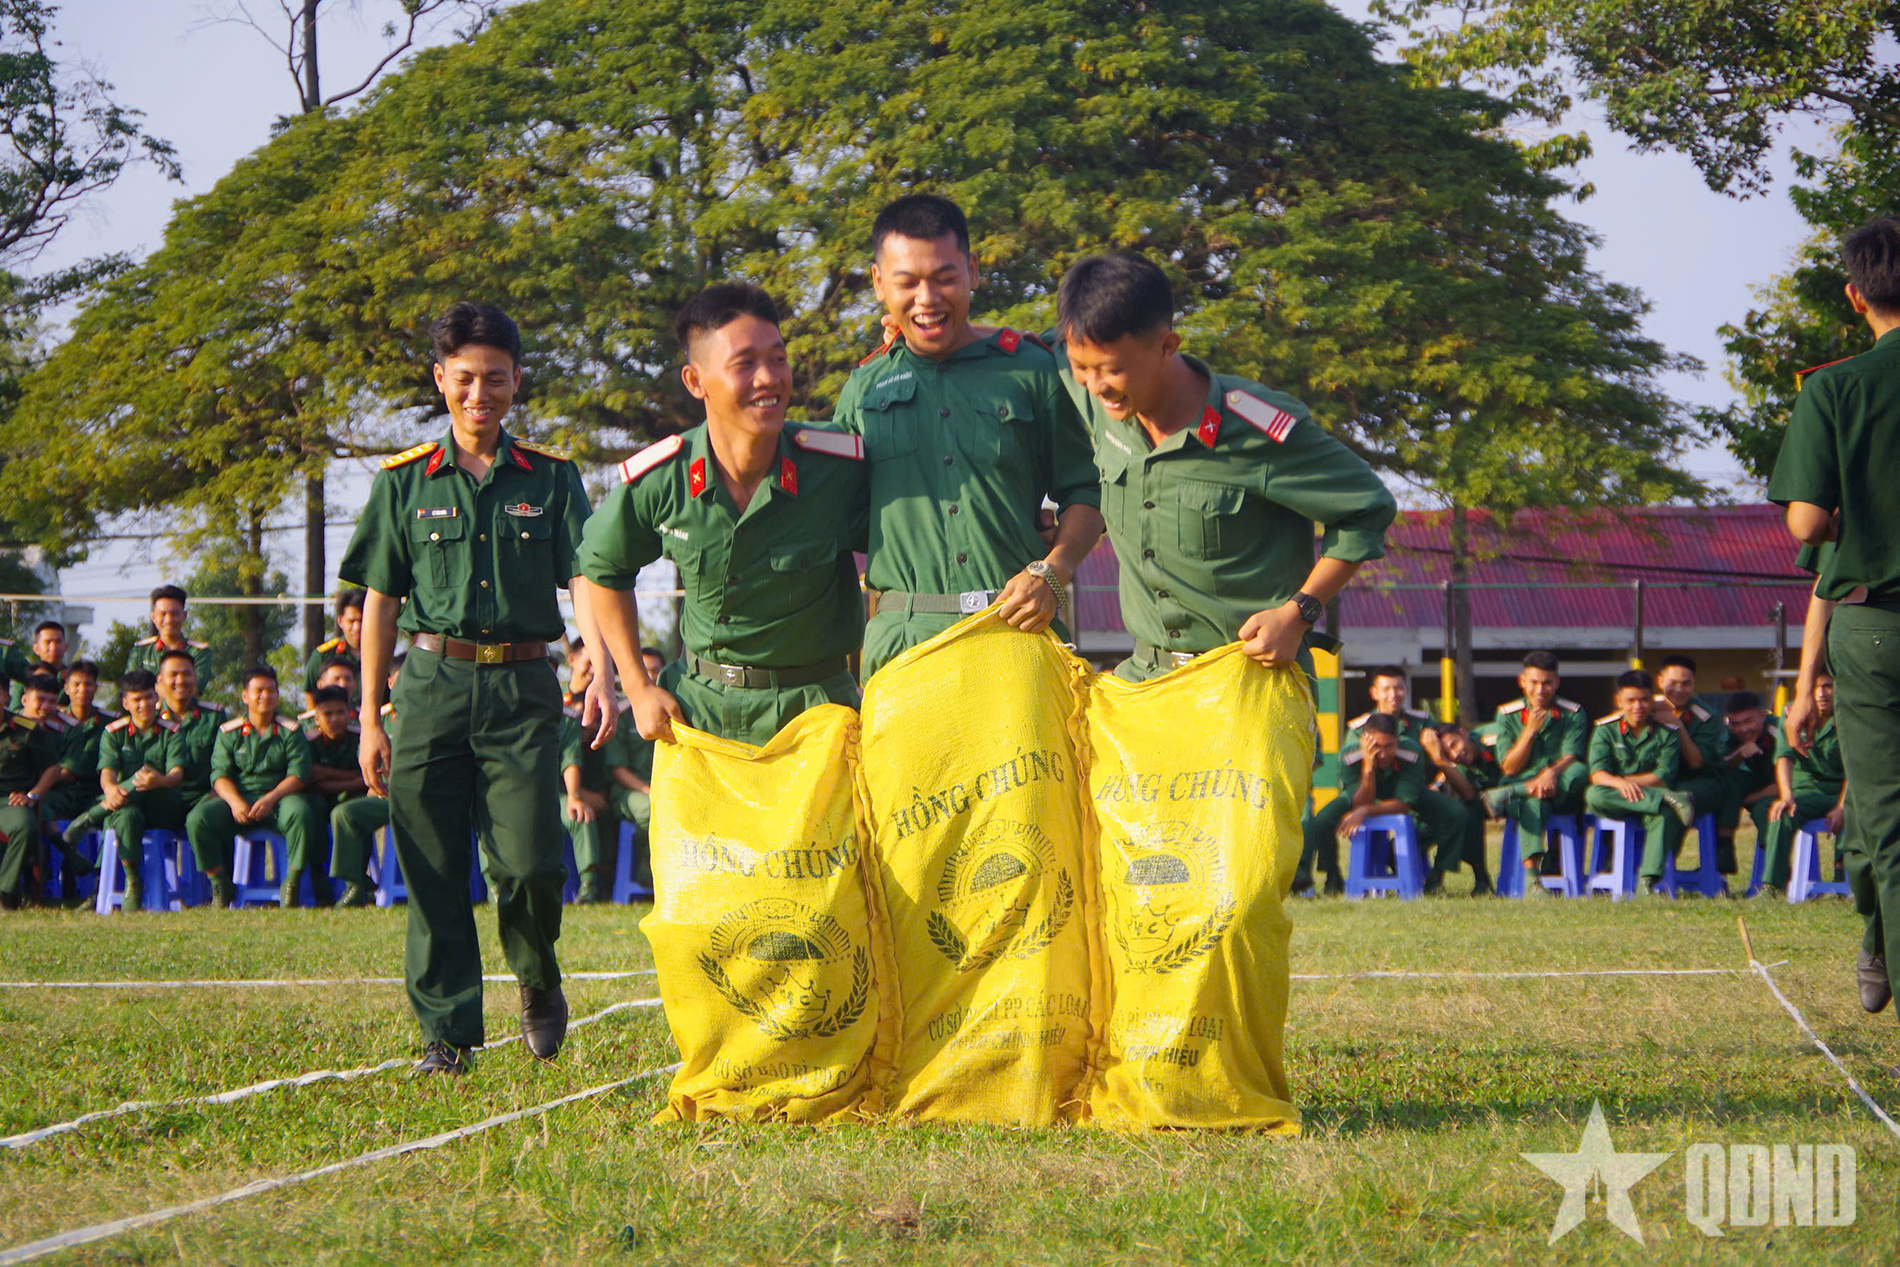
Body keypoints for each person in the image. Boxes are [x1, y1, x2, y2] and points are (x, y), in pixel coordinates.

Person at [339, 300, 598, 1075]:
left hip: (523, 690)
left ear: (516, 381)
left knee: (527, 865)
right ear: (440, 380)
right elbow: (378, 601)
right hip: (427, 688)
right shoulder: (402, 484)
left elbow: (585, 574)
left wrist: (598, 660)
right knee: (433, 867)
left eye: (494, 378)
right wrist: (369, 718)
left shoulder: (552, 480)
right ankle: (446, 1036)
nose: (479, 394)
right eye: (463, 379)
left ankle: (538, 975)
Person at [1052, 252, 1395, 686]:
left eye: (1113, 370)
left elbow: (1368, 509)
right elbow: (1018, 347)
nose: (1097, 386)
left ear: (1167, 346)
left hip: (1251, 680)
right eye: (1082, 368)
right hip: (1147, 679)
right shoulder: (1101, 396)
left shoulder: (1256, 427)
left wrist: (1299, 613)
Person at [580, 283, 869, 748]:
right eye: (745, 364)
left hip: (816, 718)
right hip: (698, 716)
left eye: (778, 359)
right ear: (695, 382)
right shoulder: (664, 477)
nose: (769, 378)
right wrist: (637, 686)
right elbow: (602, 567)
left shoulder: (835, 468)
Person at [834, 194, 1104, 678]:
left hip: (1017, 630)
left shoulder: (1033, 368)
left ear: (973, 271)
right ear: (878, 284)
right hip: (904, 649)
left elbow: (1086, 489)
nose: (927, 299)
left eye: (944, 278)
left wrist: (1054, 570)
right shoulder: (862, 389)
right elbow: (845, 520)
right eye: (907, 283)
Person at [1769, 216, 1900, 1016]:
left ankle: (1879, 936)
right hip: (1858, 619)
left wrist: (1806, 675)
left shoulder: (1835, 387)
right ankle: (1878, 938)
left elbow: (1808, 529)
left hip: (1876, 626)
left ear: (1855, 297)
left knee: (1880, 822)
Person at [185, 665, 324, 909]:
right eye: (258, 690)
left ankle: (291, 883)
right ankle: (219, 883)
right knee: (198, 819)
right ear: (245, 696)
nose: (265, 696)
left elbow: (299, 775)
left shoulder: (290, 731)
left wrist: (271, 798)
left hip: (280, 798)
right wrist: (235, 802)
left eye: (271, 690)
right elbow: (220, 775)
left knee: (301, 813)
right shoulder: (230, 732)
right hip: (239, 800)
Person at [1298, 713, 1465, 895]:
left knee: (1456, 813)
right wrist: (1368, 768)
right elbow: (1359, 801)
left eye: (1389, 746)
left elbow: (1404, 804)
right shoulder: (1349, 755)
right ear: (1365, 740)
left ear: (1398, 740)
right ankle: (1332, 874)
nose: (1383, 754)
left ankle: (1436, 876)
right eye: (1376, 746)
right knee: (1322, 821)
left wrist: (1365, 811)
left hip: (1399, 792)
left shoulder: (1411, 751)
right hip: (1363, 791)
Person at [1481, 652, 1588, 891]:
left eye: (1547, 682)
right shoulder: (1507, 714)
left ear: (1557, 682)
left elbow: (1572, 754)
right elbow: (1509, 766)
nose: (1540, 689)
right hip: (1525, 788)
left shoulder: (1573, 713)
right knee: (1533, 802)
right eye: (1534, 682)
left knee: (1579, 772)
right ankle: (1532, 881)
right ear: (1522, 681)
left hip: (1559, 787)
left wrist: (1551, 772)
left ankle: (1512, 791)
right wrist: (1529, 731)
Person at [1585, 670, 1695, 895]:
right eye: (1631, 700)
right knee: (1593, 795)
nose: (1638, 706)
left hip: (1644, 797)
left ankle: (1648, 881)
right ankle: (1666, 799)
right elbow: (1597, 774)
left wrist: (1625, 783)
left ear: (1652, 699)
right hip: (1619, 798)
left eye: (1644, 699)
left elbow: (1662, 776)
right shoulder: (1606, 729)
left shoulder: (1667, 732)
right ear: (1619, 701)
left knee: (1665, 816)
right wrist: (1620, 785)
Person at [89, 670, 188, 912]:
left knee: (133, 789)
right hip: (128, 807)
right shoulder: (114, 733)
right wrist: (111, 789)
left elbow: (177, 774)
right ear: (125, 703)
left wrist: (159, 781)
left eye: (147, 697)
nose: (143, 705)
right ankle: (133, 881)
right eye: (136, 699)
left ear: (157, 699)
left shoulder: (172, 732)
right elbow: (107, 773)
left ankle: (90, 818)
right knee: (125, 815)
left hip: (162, 806)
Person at [1758, 670, 1847, 897]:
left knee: (1855, 816)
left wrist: (1842, 807)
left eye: (1827, 686)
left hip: (1841, 792)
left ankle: (1843, 883)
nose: (1821, 693)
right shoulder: (1791, 713)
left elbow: (1855, 769)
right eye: (1814, 687)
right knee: (1781, 814)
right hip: (1805, 792)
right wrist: (1786, 795)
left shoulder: (1850, 715)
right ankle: (1772, 885)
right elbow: (1783, 757)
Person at [329, 654, 403, 909]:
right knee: (345, 813)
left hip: (424, 795)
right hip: (387, 796)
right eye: (403, 678)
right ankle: (355, 885)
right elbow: (368, 761)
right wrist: (373, 786)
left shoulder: (434, 716)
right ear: (390, 682)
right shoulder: (378, 721)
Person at [1650, 654, 1734, 874]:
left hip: (1700, 781)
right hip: (1658, 780)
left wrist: (1678, 726)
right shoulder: (1645, 708)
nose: (1679, 689)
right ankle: (1616, 859)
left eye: (1686, 683)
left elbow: (1697, 762)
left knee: (1678, 799)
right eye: (1673, 683)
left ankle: (1661, 867)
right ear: (1660, 681)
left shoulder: (1706, 717)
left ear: (1694, 684)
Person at [38, 660, 111, 886]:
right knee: (39, 804)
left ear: (96, 687)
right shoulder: (53, 720)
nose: (83, 690)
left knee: (112, 814)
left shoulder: (111, 721)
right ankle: (48, 876)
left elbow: (69, 771)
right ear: (66, 687)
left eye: (88, 684)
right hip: (63, 793)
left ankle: (101, 879)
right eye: (76, 684)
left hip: (94, 791)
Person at [558, 640, 619, 902]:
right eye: (589, 662)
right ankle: (589, 885)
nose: (594, 671)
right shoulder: (555, 701)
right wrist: (579, 792)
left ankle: (604, 883)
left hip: (600, 786)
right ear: (572, 659)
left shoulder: (611, 704)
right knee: (582, 813)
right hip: (561, 790)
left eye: (601, 665)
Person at [294, 684, 364, 906]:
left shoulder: (360, 738)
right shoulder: (308, 741)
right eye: (327, 714)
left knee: (356, 809)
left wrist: (330, 776)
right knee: (311, 808)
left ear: (350, 713)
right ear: (316, 718)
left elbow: (368, 779)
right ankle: (318, 877)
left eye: (340, 712)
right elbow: (311, 782)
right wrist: (353, 779)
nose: (335, 719)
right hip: (319, 800)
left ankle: (358, 877)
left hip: (349, 797)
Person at [0, 690, 67, 909]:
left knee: (25, 827)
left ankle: (5, 893)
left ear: (6, 698)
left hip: (10, 800)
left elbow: (53, 768)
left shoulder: (25, 728)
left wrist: (33, 795)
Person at [1426, 722, 1501, 896]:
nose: (1455, 754)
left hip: (1518, 792)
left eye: (1454, 744)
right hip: (1485, 802)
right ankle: (1480, 878)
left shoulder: (1491, 738)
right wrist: (1441, 761)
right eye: (1447, 754)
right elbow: (1468, 794)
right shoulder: (1456, 764)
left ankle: (1438, 876)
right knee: (1465, 810)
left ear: (1462, 731)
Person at [155, 647, 224, 821]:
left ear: (195, 678)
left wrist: (218, 791)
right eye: (173, 674)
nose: (180, 680)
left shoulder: (213, 716)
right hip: (163, 798)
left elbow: (226, 762)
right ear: (160, 680)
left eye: (186, 674)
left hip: (204, 797)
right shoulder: (150, 718)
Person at [1719, 691, 1781, 860]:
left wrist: (1746, 800)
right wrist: (1738, 754)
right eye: (1735, 723)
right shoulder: (1732, 734)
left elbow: (1784, 785)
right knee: (1726, 781)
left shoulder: (1779, 731)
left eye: (1749, 721)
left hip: (1784, 791)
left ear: (1762, 715)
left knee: (1765, 810)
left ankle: (1777, 866)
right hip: (1758, 784)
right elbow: (1720, 764)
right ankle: (1723, 852)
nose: (1743, 729)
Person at [126, 586, 213, 681]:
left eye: (174, 614)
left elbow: (194, 689)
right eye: (163, 614)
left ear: (184, 616)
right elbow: (131, 687)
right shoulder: (140, 651)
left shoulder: (199, 652)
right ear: (153, 617)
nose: (169, 620)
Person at [303, 588, 366, 710]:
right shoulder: (323, 655)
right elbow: (309, 693)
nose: (357, 627)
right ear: (340, 621)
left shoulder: (382, 654)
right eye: (351, 621)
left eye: (362, 621)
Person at [8, 621, 68, 709]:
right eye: (48, 642)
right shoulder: (25, 675)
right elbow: (15, 710)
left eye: (58, 642)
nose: (53, 647)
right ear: (36, 648)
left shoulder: (71, 677)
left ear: (66, 646)